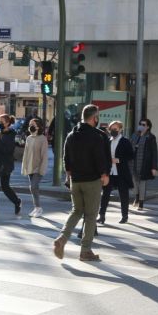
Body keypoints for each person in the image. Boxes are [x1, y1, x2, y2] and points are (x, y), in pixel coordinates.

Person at [53, 104, 111, 262]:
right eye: (97, 116)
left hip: (75, 180)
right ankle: (85, 250)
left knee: (76, 211)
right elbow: (100, 157)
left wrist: (69, 174)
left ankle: (62, 239)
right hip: (92, 181)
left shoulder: (72, 134)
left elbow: (66, 157)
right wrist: (104, 174)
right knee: (91, 216)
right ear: (94, 118)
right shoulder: (97, 136)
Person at [99, 121, 135, 224]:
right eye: (111, 129)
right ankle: (102, 215)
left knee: (123, 194)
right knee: (105, 194)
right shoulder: (108, 141)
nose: (113, 131)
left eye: (116, 129)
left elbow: (131, 155)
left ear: (120, 129)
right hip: (109, 171)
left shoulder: (125, 141)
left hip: (121, 172)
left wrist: (118, 160)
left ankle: (124, 216)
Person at [0, 114, 22, 217]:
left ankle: (17, 202)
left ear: (7, 123)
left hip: (5, 164)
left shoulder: (11, 135)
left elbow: (7, 150)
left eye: (1, 121)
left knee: (5, 186)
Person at [21, 117, 49, 218]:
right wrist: (24, 167)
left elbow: (44, 156)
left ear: (38, 126)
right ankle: (36, 208)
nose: (30, 126)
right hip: (30, 167)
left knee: (33, 186)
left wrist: (42, 170)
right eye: (30, 125)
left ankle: (38, 208)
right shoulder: (29, 138)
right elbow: (26, 154)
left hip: (38, 168)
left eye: (33, 124)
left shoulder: (43, 139)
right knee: (33, 188)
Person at [129, 117, 158, 211]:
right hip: (133, 162)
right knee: (134, 181)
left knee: (142, 182)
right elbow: (129, 146)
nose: (141, 126)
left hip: (144, 163)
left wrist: (154, 167)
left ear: (148, 127)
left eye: (143, 125)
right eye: (140, 124)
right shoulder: (134, 135)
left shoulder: (150, 137)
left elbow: (154, 152)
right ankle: (137, 196)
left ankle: (141, 202)